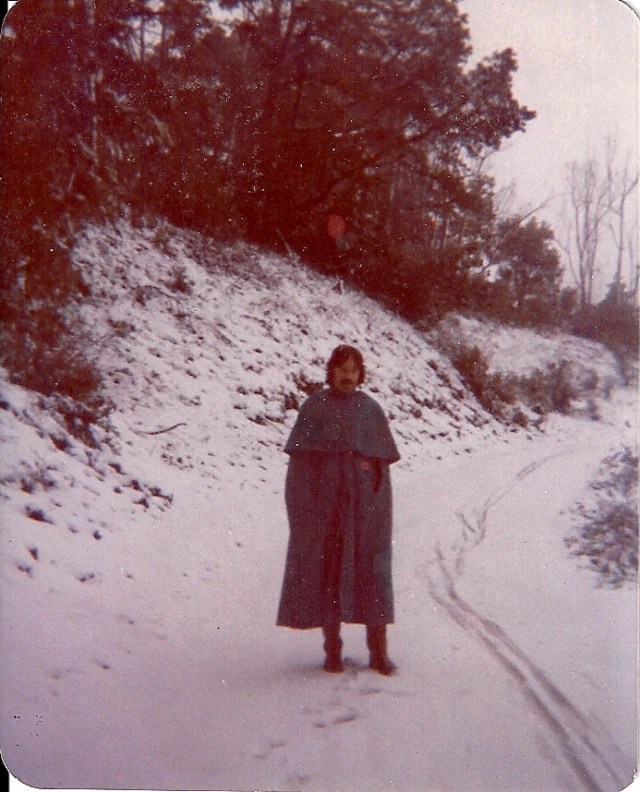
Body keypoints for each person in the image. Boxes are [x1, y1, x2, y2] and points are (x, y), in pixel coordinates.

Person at [277, 345, 400, 675]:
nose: (348, 375)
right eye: (342, 368)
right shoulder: (314, 408)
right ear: (331, 371)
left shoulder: (371, 410)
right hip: (326, 509)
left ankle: (378, 653)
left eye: (354, 369)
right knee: (328, 574)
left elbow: (381, 471)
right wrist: (304, 510)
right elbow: (300, 468)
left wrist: (375, 506)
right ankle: (332, 652)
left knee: (372, 575)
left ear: (361, 374)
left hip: (365, 512)